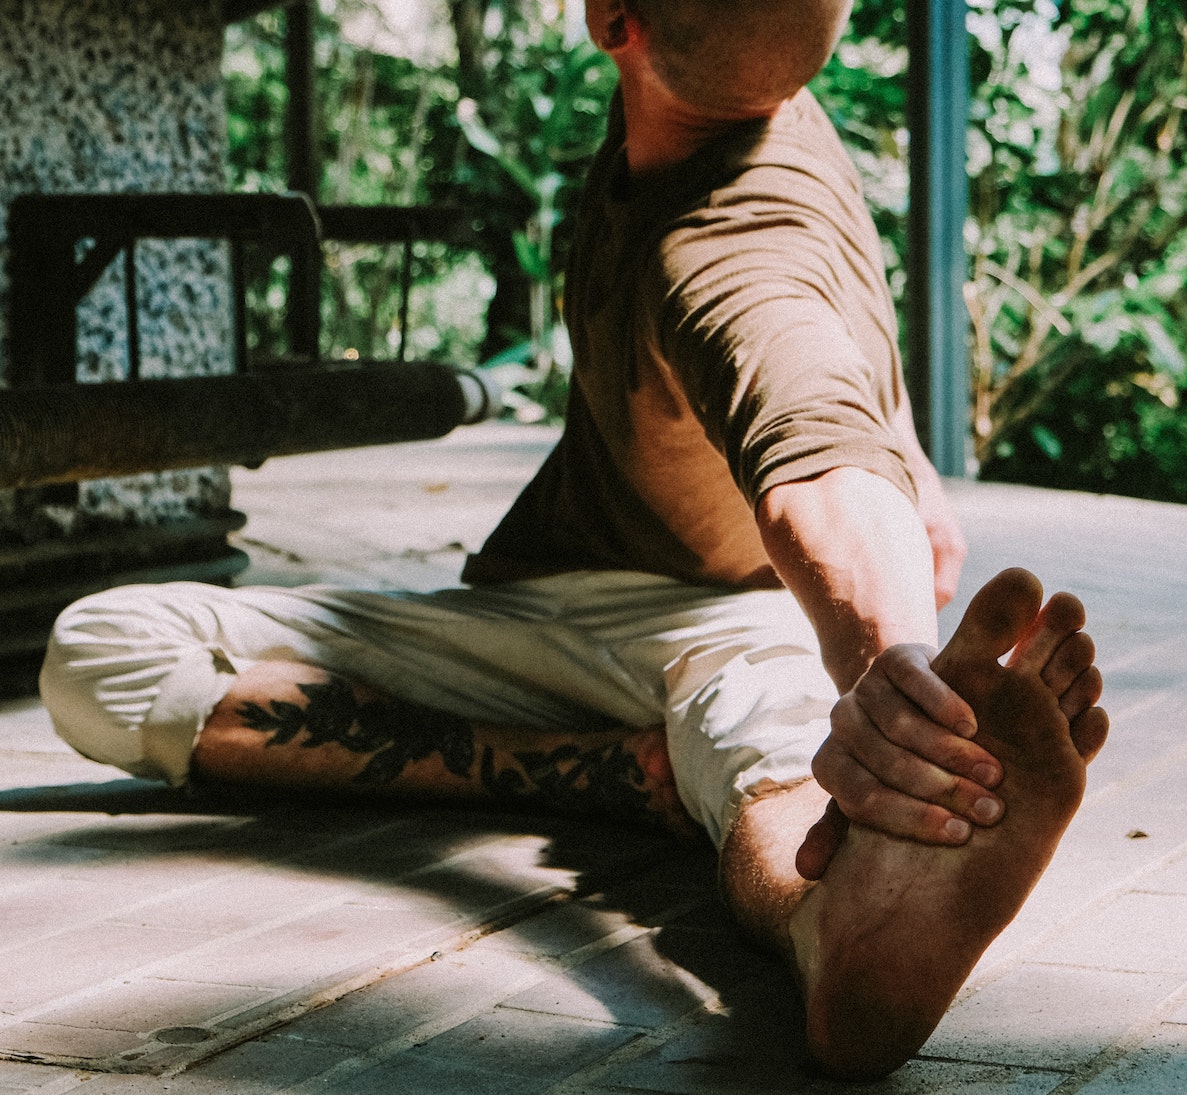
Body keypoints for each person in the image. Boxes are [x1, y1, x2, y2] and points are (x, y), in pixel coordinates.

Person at [38, 0, 1108, 1079]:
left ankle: (833, 926)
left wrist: (890, 672)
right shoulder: (754, 101)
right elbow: (835, 393)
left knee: (783, 781)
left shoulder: (727, 248)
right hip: (566, 610)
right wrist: (909, 449)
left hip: (743, 627)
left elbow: (812, 450)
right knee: (109, 641)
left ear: (610, 21)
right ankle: (637, 785)